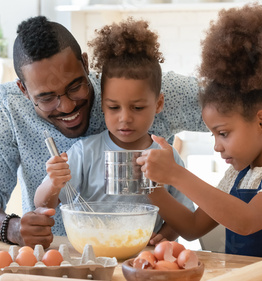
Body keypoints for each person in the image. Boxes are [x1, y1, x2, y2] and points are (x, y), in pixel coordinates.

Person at [0, 16, 206, 248]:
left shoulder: (142, 84)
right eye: (47, 97)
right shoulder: (7, 107)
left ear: (85, 63)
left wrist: (238, 190)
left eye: (75, 86)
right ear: (24, 90)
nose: (67, 106)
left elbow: (236, 106)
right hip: (62, 257)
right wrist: (14, 229)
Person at [137, 4, 262, 261]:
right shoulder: (237, 175)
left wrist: (176, 174)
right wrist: (151, 186)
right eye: (213, 135)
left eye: (223, 133)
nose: (217, 146)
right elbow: (192, 227)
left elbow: (247, 220)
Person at [34, 17, 194, 244]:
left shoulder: (166, 158)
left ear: (158, 104)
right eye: (113, 107)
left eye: (137, 107)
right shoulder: (85, 152)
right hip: (95, 252)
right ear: (102, 105)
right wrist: (53, 182)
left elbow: (184, 215)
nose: (125, 118)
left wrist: (163, 239)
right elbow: (42, 204)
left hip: (145, 261)